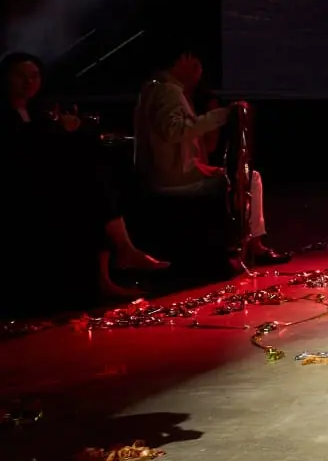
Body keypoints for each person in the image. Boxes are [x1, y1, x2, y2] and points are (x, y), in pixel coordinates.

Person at [1, 50, 167, 303]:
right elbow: (24, 152)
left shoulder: (38, 110)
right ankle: (120, 255)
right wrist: (59, 131)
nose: (28, 82)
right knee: (91, 182)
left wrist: (69, 128)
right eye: (21, 76)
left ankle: (113, 265)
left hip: (49, 179)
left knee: (95, 176)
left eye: (34, 76)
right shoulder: (7, 115)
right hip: (20, 184)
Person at [132, 44, 285, 269]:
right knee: (249, 179)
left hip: (167, 174)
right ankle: (251, 245)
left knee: (238, 177)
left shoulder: (155, 88)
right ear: (183, 59)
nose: (199, 70)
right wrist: (222, 115)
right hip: (173, 180)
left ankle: (245, 243)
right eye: (194, 63)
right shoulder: (167, 90)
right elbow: (174, 130)